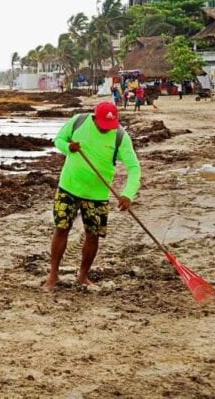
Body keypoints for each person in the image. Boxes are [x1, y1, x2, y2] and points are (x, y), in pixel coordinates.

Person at [43, 101, 141, 292]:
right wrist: (68, 147)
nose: (106, 129)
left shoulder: (120, 136)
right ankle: (53, 274)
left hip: (97, 195)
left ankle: (83, 275)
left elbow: (134, 168)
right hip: (68, 187)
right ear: (94, 117)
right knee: (62, 228)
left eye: (110, 126)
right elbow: (59, 139)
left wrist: (128, 194)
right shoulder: (78, 121)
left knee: (93, 235)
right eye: (103, 125)